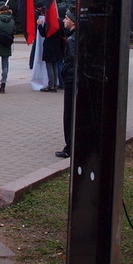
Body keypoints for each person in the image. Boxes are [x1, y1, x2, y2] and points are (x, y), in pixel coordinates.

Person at [55, 9, 77, 159]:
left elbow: (74, 59)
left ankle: (69, 147)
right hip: (73, 78)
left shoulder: (73, 40)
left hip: (71, 80)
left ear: (73, 21)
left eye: (66, 18)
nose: (63, 20)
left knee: (69, 114)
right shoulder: (75, 37)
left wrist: (65, 73)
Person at [0, 4, 15, 93]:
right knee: (5, 66)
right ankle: (3, 85)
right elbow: (13, 31)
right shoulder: (12, 21)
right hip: (7, 45)